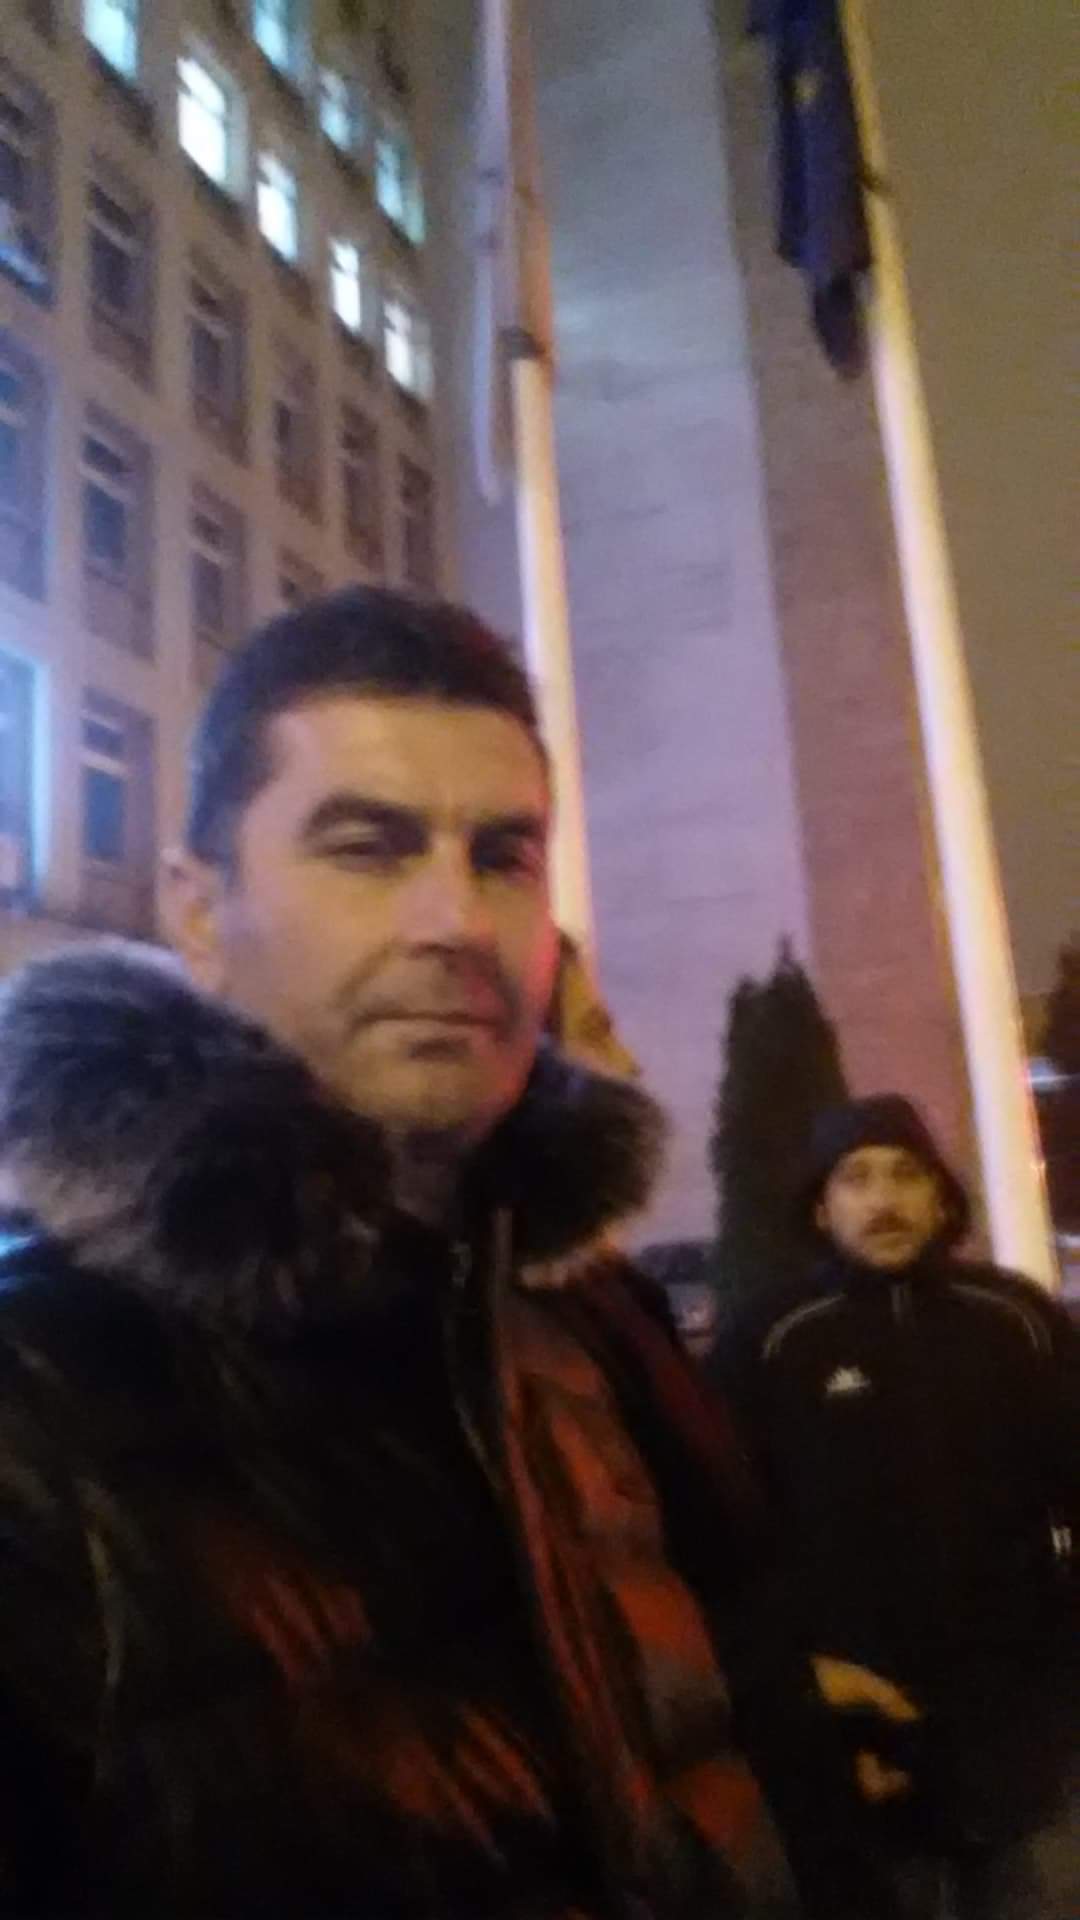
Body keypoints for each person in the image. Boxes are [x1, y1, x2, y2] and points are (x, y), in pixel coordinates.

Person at [0, 587, 838, 1919]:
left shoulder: (590, 1320)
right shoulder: (37, 1397)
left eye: (503, 857)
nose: (455, 920)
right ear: (199, 913)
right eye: (367, 847)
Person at [734, 1092, 1080, 1918]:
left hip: (1027, 1731)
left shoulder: (1017, 1319)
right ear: (820, 1206)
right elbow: (735, 1540)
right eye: (856, 1178)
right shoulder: (772, 1340)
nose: (883, 1200)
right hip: (865, 1740)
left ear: (941, 1197)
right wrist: (800, 1703)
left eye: (905, 1175)